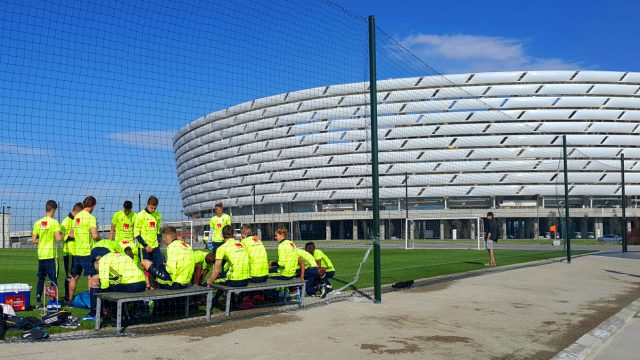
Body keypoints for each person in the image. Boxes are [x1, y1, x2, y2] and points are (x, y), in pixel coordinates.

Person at [68, 196, 100, 309]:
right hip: (87, 253)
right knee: (91, 277)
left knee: (74, 277)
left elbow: (71, 234)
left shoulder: (76, 217)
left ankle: (70, 300)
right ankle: (92, 303)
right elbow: (95, 235)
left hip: (77, 252)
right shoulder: (90, 218)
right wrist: (100, 240)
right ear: (93, 206)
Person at [32, 200, 63, 308]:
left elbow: (34, 240)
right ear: (53, 210)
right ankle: (54, 301)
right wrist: (64, 234)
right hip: (51, 255)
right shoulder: (54, 222)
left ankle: (38, 302)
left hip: (41, 255)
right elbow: (58, 238)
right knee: (53, 279)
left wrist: (43, 240)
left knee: (41, 279)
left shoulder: (37, 223)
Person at [134, 195, 163, 289]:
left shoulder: (158, 215)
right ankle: (148, 286)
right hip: (144, 247)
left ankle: (155, 285)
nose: (153, 210)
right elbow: (136, 233)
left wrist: (158, 242)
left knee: (158, 266)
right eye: (151, 208)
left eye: (155, 208)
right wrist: (146, 245)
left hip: (155, 247)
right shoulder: (140, 215)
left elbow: (158, 230)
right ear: (147, 204)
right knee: (146, 267)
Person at [59, 202, 83, 303]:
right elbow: (60, 236)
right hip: (69, 253)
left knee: (76, 275)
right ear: (76, 211)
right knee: (69, 275)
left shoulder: (77, 220)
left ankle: (70, 296)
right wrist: (71, 236)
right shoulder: (66, 221)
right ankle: (67, 297)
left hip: (78, 252)